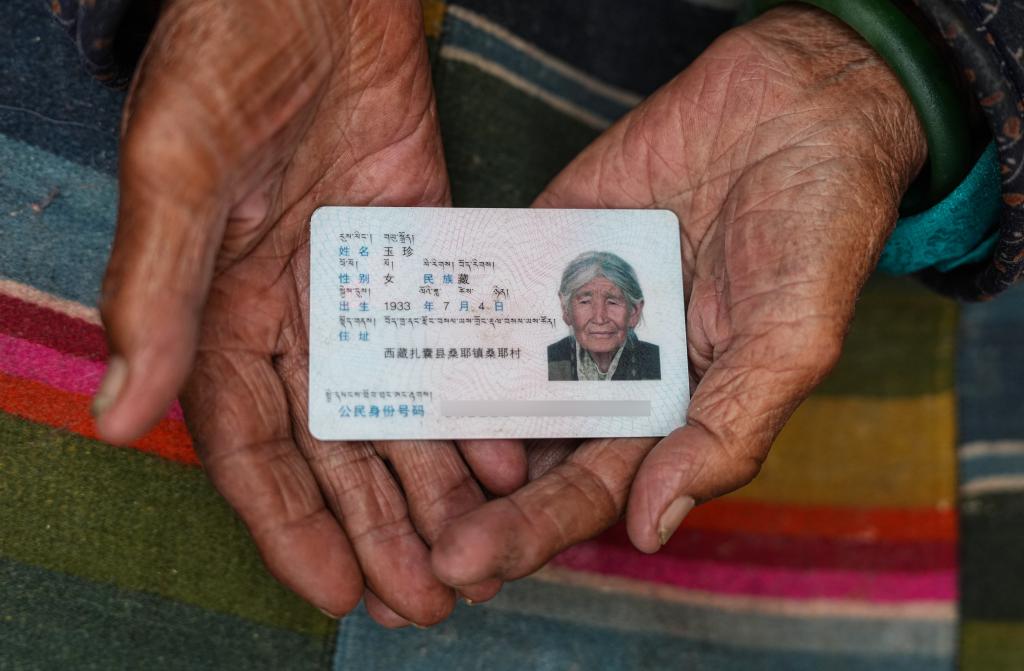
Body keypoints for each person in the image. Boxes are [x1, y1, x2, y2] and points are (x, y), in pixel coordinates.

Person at [61, 0, 1024, 628]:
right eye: (587, 298)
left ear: (635, 307)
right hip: (149, 171)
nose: (600, 311)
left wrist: (901, 59)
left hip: (891, 379)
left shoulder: (642, 349)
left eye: (612, 298)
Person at [548, 251, 660, 381]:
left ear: (634, 312)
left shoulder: (656, 362)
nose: (599, 319)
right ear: (566, 310)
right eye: (585, 302)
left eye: (612, 302)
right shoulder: (549, 360)